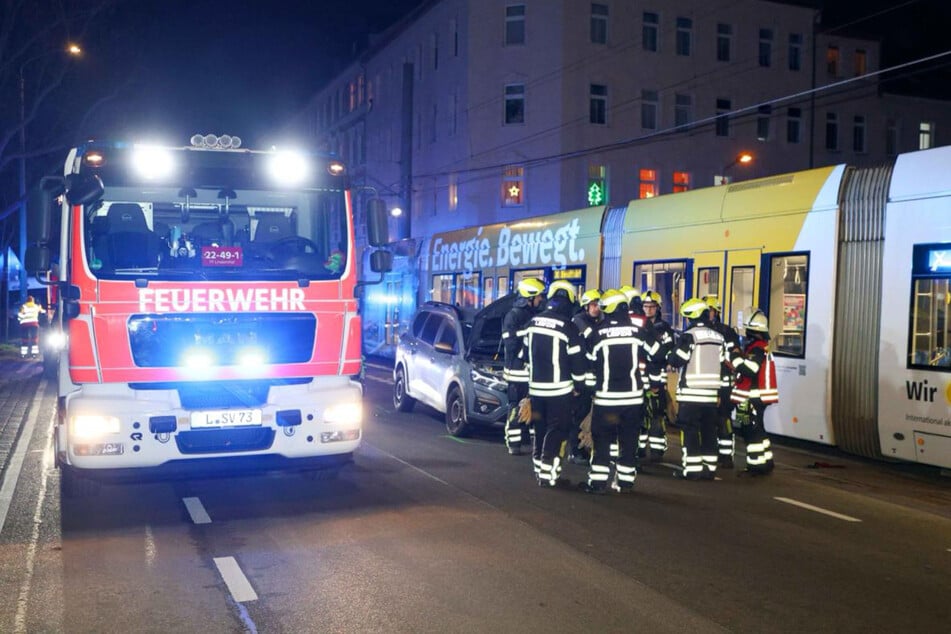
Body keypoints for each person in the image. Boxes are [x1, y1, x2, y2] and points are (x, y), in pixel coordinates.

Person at [581, 290, 659, 494]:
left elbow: (589, 363)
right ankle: (625, 483)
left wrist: (590, 390)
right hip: (633, 399)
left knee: (602, 442)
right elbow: (658, 352)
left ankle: (597, 483)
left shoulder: (598, 334)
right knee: (629, 440)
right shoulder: (638, 332)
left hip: (606, 399)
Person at [526, 280, 587, 487]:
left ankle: (538, 469)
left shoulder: (534, 321)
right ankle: (548, 475)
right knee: (557, 430)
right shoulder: (568, 327)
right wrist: (580, 386)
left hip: (536, 389)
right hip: (559, 391)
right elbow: (577, 361)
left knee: (540, 428)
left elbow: (525, 351)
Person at [666, 297, 729, 481]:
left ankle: (692, 469)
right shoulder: (719, 337)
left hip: (691, 394)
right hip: (711, 395)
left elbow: (677, 359)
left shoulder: (689, 336)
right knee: (709, 431)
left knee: (691, 431)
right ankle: (709, 468)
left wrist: (671, 353)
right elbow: (723, 362)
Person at [501, 277, 546, 455]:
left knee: (534, 409)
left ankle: (536, 444)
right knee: (515, 407)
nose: (541, 300)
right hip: (516, 372)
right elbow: (511, 342)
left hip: (531, 373)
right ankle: (514, 443)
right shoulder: (513, 315)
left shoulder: (533, 314)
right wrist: (528, 330)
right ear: (529, 298)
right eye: (539, 297)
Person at [732, 309, 778, 475]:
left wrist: (735, 357)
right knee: (758, 429)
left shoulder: (756, 349)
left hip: (752, 396)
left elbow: (751, 369)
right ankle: (766, 462)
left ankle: (756, 466)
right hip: (758, 396)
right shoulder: (762, 347)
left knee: (751, 432)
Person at [703, 295, 742, 469]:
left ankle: (726, 455)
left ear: (716, 312)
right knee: (707, 420)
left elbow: (733, 356)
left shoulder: (727, 332)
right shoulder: (701, 330)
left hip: (723, 384)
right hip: (706, 382)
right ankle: (711, 452)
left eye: (709, 311)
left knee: (723, 418)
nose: (707, 314)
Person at [639, 289, 675, 461]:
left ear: (658, 308)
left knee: (656, 415)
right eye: (645, 306)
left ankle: (657, 450)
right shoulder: (639, 325)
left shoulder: (664, 328)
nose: (648, 310)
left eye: (652, 307)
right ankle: (639, 449)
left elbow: (668, 352)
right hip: (640, 378)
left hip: (656, 378)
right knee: (639, 415)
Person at [568, 289, 602, 464]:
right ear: (586, 306)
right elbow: (594, 340)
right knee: (579, 417)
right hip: (582, 381)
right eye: (594, 305)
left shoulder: (598, 322)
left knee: (592, 418)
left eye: (599, 305)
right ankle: (575, 451)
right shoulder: (580, 321)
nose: (597, 308)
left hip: (594, 381)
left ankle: (586, 448)